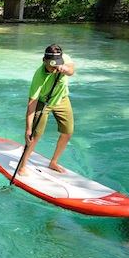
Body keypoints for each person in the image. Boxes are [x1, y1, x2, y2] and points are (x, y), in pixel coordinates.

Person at [17, 44, 75, 176]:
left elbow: (71, 70)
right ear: (44, 60)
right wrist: (28, 129)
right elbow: (32, 104)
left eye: (56, 65)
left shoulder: (63, 58)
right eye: (51, 65)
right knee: (35, 136)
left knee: (68, 132)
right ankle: (22, 165)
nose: (54, 68)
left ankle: (53, 162)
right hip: (43, 102)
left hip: (61, 99)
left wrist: (64, 69)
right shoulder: (39, 77)